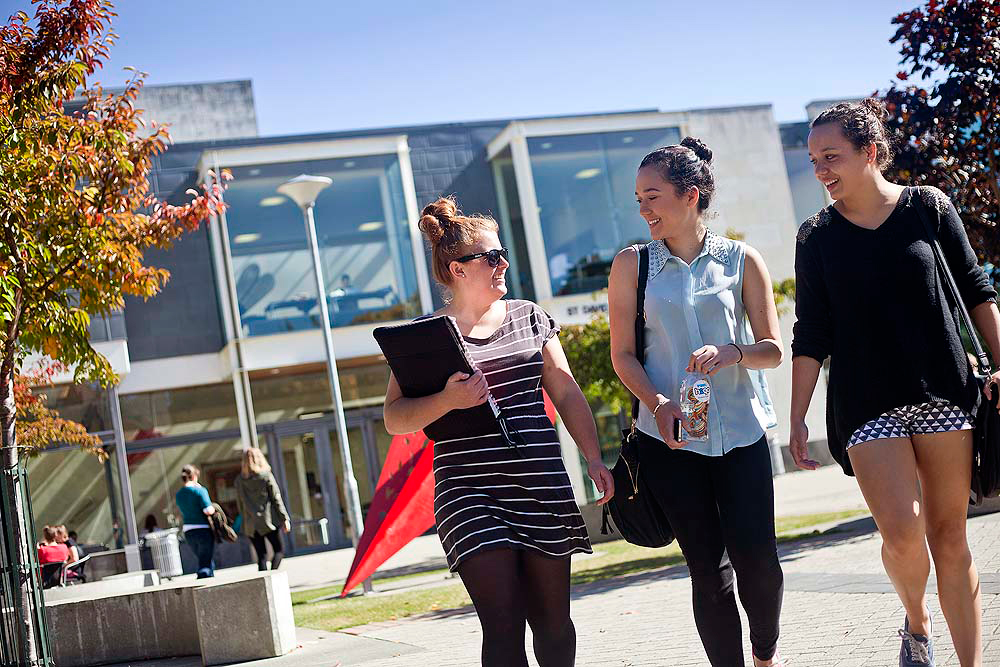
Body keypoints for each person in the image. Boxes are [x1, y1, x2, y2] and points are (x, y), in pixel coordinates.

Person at [789, 99, 999, 667]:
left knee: (949, 539)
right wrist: (798, 417)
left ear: (871, 153)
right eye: (813, 160)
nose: (821, 170)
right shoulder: (816, 237)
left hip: (944, 390)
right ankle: (915, 620)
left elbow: (978, 292)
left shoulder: (928, 209)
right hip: (865, 403)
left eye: (831, 156)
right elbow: (811, 332)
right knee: (904, 536)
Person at [382, 195, 614, 667]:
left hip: (540, 485)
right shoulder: (425, 335)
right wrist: (447, 399)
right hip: (468, 493)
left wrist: (592, 458)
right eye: (491, 257)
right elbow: (395, 417)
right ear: (458, 268)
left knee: (553, 621)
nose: (503, 263)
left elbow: (567, 394)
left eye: (502, 253)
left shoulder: (531, 317)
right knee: (502, 624)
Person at [608, 137, 785, 667]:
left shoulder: (741, 259)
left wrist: (733, 352)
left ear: (690, 196)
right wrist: (657, 403)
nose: (644, 211)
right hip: (670, 439)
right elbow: (622, 355)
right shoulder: (631, 266)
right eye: (638, 200)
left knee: (760, 564)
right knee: (707, 571)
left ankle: (765, 653)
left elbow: (773, 351)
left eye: (653, 197)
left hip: (741, 433)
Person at [234, 447, 291, 571]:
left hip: (251, 523)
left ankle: (264, 582)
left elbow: (240, 504)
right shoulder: (266, 476)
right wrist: (284, 518)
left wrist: (245, 520)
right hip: (268, 520)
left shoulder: (239, 481)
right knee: (279, 550)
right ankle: (273, 576)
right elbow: (276, 498)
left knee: (261, 556)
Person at [175, 464, 217, 578]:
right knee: (205, 563)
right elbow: (208, 510)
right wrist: (214, 508)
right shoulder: (200, 491)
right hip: (203, 530)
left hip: (188, 532)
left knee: (204, 559)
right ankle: (204, 581)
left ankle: (209, 580)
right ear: (194, 476)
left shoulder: (179, 494)